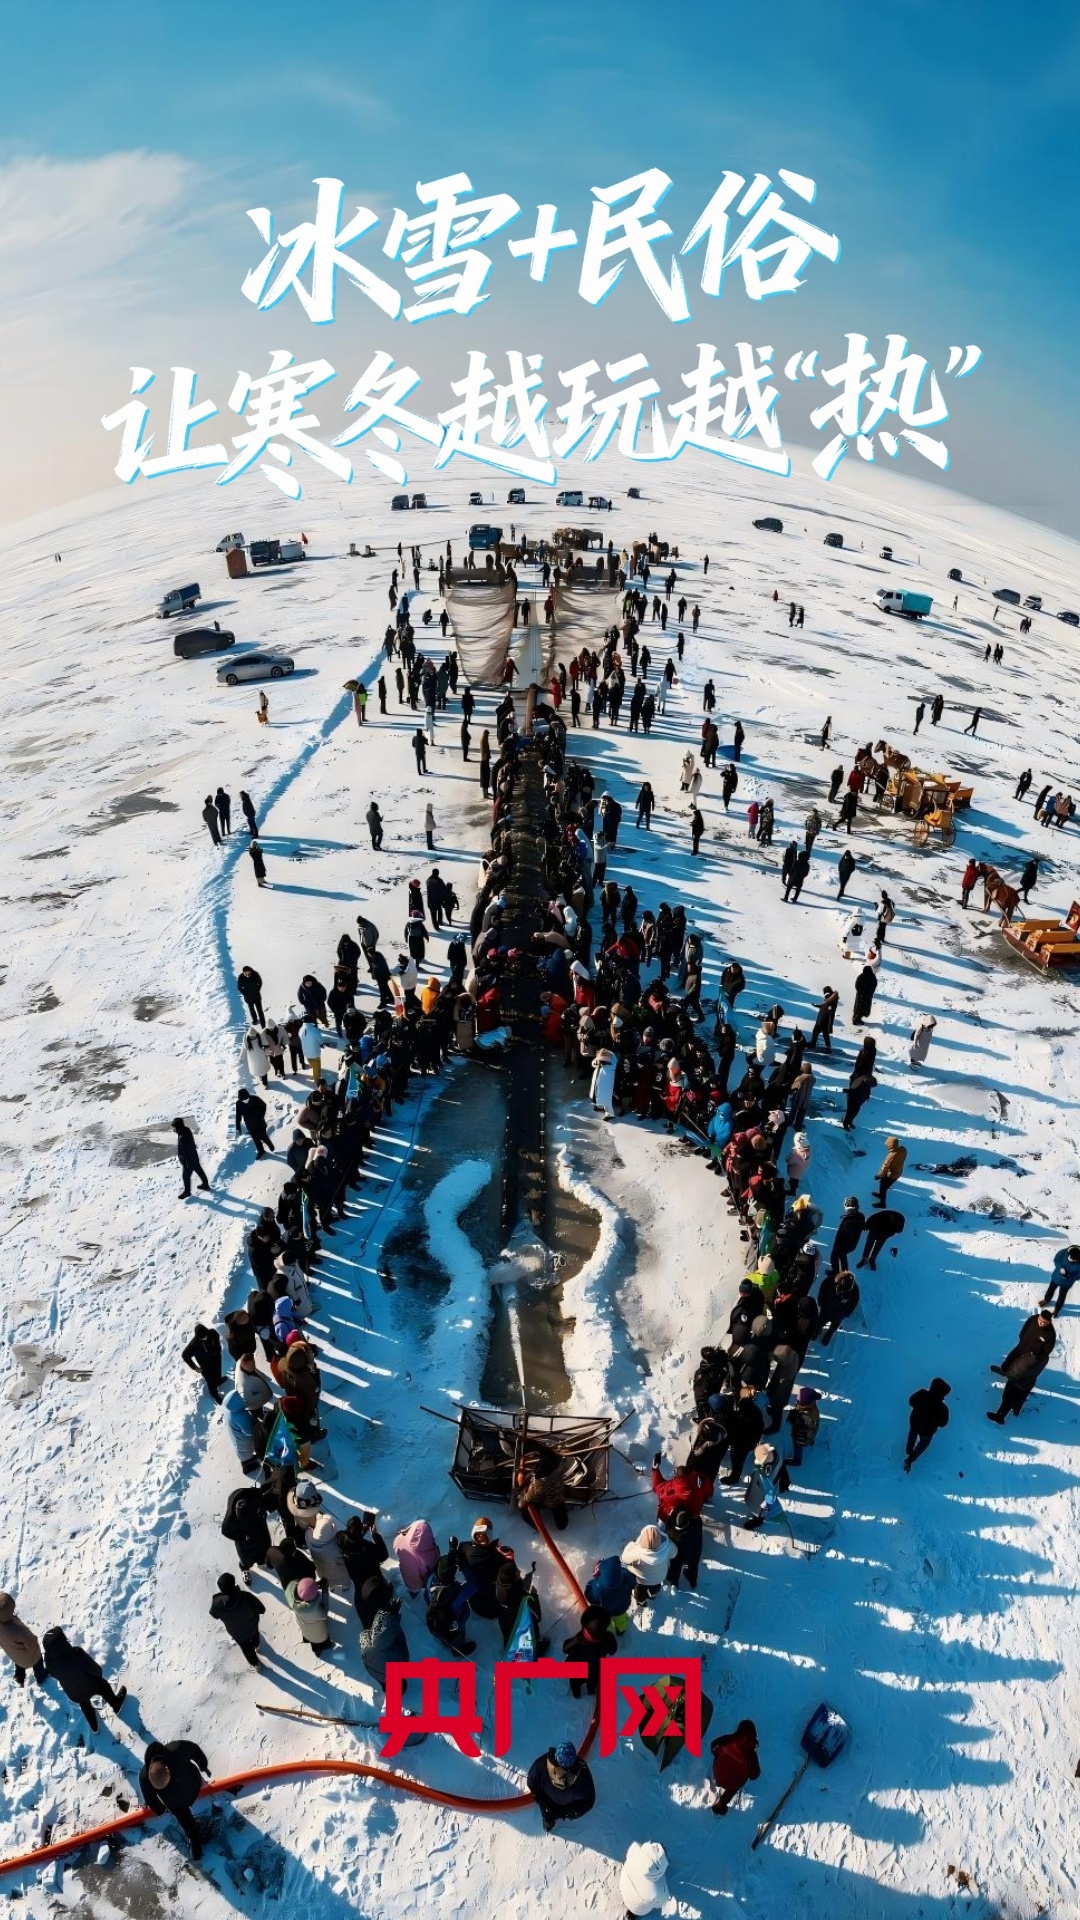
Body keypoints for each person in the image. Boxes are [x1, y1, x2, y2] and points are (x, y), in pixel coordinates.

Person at [138, 1740, 212, 1860]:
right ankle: (195, 1840)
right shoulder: (178, 1749)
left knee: (185, 1820)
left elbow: (150, 1799)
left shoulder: (177, 1750)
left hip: (182, 1796)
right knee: (185, 1819)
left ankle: (194, 1839)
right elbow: (194, 1749)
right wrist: (203, 1765)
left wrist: (161, 1809)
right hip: (190, 1787)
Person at [41, 1628, 127, 1731]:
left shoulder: (49, 1663)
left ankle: (94, 1727)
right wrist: (98, 1675)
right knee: (104, 1687)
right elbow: (94, 1669)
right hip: (91, 1685)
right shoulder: (76, 1653)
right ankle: (116, 1704)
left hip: (74, 1693)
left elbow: (55, 1675)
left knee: (84, 1703)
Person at [988, 1309, 1056, 1423]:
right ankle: (1004, 1372)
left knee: (1012, 1387)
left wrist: (1032, 1355)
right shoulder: (1033, 1319)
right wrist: (1023, 1342)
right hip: (1021, 1349)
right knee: (1008, 1363)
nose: (1040, 1323)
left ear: (1049, 1322)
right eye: (1040, 1320)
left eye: (1044, 1322)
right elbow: (1023, 1332)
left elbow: (1045, 1352)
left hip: (1028, 1361)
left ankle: (1001, 1415)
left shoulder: (1050, 1335)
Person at [526, 1741, 596, 1832]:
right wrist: (560, 1811)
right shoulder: (583, 1777)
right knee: (549, 1816)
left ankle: (548, 1821)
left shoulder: (540, 1764)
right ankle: (549, 1819)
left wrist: (557, 1811)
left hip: (555, 1804)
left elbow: (531, 1783)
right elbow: (588, 1802)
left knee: (548, 1817)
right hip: (557, 1804)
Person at [210, 1572, 265, 1668]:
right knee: (255, 1634)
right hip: (251, 1626)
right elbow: (261, 1609)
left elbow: (214, 1615)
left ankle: (256, 1664)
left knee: (246, 1648)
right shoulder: (245, 1596)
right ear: (233, 1583)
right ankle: (257, 1646)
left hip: (235, 1632)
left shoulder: (217, 1603)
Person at [562, 1604, 618, 1696]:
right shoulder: (608, 1639)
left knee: (577, 1684)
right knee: (590, 1684)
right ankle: (589, 1691)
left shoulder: (577, 1641)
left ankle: (577, 1694)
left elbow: (565, 1649)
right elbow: (613, 1650)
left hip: (579, 1670)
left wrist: (575, 1640)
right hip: (593, 1669)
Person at [709, 1720, 760, 1815]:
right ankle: (720, 1805)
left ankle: (718, 1782)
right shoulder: (751, 1754)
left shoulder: (728, 1739)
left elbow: (713, 1746)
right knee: (734, 1785)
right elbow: (754, 1775)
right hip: (733, 1783)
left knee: (721, 1758)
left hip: (718, 1774)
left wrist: (719, 1755)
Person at [0, 1592, 45, 1687]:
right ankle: (41, 1678)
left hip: (14, 1653)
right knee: (38, 1661)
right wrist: (34, 1638)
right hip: (28, 1657)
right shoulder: (17, 1630)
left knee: (19, 1662)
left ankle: (19, 1678)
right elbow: (32, 1644)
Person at [904, 1378, 951, 1470]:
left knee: (912, 1434)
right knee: (923, 1444)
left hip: (915, 1422)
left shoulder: (922, 1394)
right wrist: (936, 1421)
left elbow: (911, 1401)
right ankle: (910, 1459)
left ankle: (909, 1449)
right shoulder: (943, 1408)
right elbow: (943, 1424)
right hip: (928, 1430)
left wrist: (917, 1406)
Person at [622, 1523, 675, 1602]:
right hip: (660, 1577)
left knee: (640, 1590)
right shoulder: (668, 1546)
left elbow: (624, 1559)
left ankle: (640, 1600)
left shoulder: (637, 1552)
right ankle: (653, 1594)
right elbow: (674, 1553)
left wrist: (631, 1544)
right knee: (655, 1585)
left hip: (641, 1580)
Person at [619, 1841, 670, 1917]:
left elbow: (634, 1846)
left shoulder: (635, 1851)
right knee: (646, 1904)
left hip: (624, 1884)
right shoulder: (658, 1893)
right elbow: (662, 1902)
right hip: (637, 1908)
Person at [182, 1323, 224, 1403]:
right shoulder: (193, 1345)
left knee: (218, 1373)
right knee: (210, 1382)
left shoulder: (212, 1333)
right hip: (205, 1366)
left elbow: (217, 1338)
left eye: (205, 1336)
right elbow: (185, 1356)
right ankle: (216, 1396)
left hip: (216, 1359)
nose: (204, 1338)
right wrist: (195, 1367)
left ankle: (218, 1381)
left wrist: (217, 1350)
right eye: (202, 1337)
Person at [173, 1117, 210, 1198]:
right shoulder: (186, 1130)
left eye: (174, 1127)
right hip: (193, 1157)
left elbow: (186, 1150)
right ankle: (205, 1185)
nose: (174, 1129)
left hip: (188, 1160)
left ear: (178, 1126)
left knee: (185, 1176)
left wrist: (186, 1162)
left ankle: (187, 1192)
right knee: (199, 1170)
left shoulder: (182, 1136)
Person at [1041, 1245, 1080, 1317]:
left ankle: (1056, 1310)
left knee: (1061, 1296)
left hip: (1066, 1283)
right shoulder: (1064, 1252)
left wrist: (1069, 1276)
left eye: (1075, 1260)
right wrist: (1060, 1268)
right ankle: (1046, 1300)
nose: (1073, 1260)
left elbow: (1078, 1276)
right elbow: (1056, 1259)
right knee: (1050, 1290)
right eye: (1072, 1258)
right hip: (1056, 1277)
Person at [236, 1087, 274, 1158]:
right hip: (249, 1125)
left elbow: (264, 1105)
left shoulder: (255, 1098)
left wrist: (261, 1116)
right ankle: (261, 1151)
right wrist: (237, 1128)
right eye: (243, 1100)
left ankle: (270, 1145)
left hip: (259, 1122)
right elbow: (238, 1115)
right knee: (255, 1139)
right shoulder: (238, 1103)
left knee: (263, 1136)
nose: (245, 1101)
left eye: (246, 1099)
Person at [874, 1136, 906, 1207]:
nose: (887, 1146)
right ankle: (881, 1194)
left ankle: (882, 1203)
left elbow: (884, 1167)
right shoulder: (903, 1149)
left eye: (887, 1145)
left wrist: (878, 1176)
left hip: (891, 1174)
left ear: (890, 1145)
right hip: (898, 1172)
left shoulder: (891, 1155)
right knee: (884, 1186)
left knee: (883, 1187)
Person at [808, 986, 839, 1054]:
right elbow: (824, 1006)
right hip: (820, 1020)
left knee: (825, 1035)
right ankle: (813, 1043)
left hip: (824, 1022)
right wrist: (817, 1005)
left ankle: (828, 1048)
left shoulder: (831, 1003)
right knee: (815, 1032)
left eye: (826, 994)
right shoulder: (829, 1000)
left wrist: (830, 1026)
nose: (825, 996)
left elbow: (831, 1015)